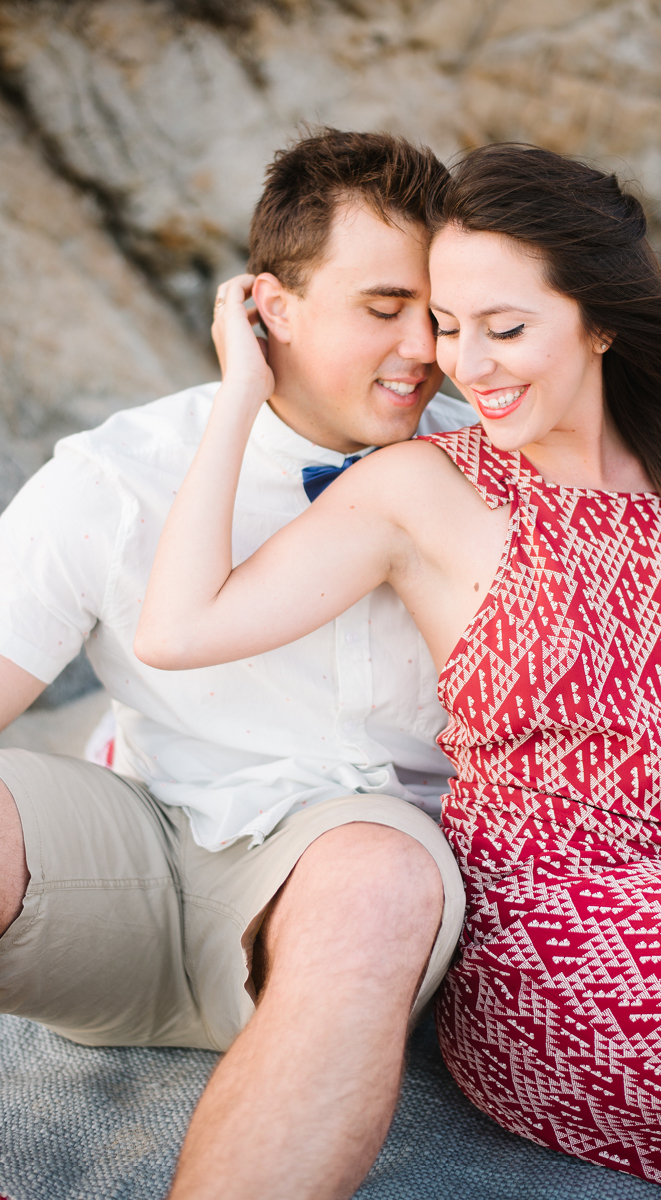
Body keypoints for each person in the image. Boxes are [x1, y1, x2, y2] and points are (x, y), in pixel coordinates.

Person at [137, 142, 661, 1200]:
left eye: (503, 328)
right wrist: (237, 395)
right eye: (449, 327)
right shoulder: (425, 490)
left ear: (600, 317)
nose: (465, 363)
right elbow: (176, 629)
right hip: (543, 955)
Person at [0, 129, 475, 1200]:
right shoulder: (124, 475)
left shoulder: (490, 475)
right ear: (270, 307)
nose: (423, 348)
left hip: (356, 896)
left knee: (374, 877)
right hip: (142, 860)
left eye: (434, 312)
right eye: (382, 306)